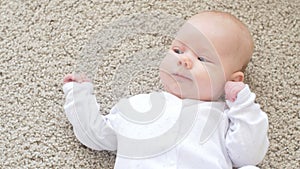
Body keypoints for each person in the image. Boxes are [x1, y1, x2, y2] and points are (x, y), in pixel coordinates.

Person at [62, 10, 269, 169]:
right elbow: (97, 135)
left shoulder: (224, 118)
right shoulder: (138, 106)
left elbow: (248, 155)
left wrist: (242, 105)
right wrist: (79, 96)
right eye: (178, 50)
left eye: (202, 59)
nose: (183, 60)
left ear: (232, 80)